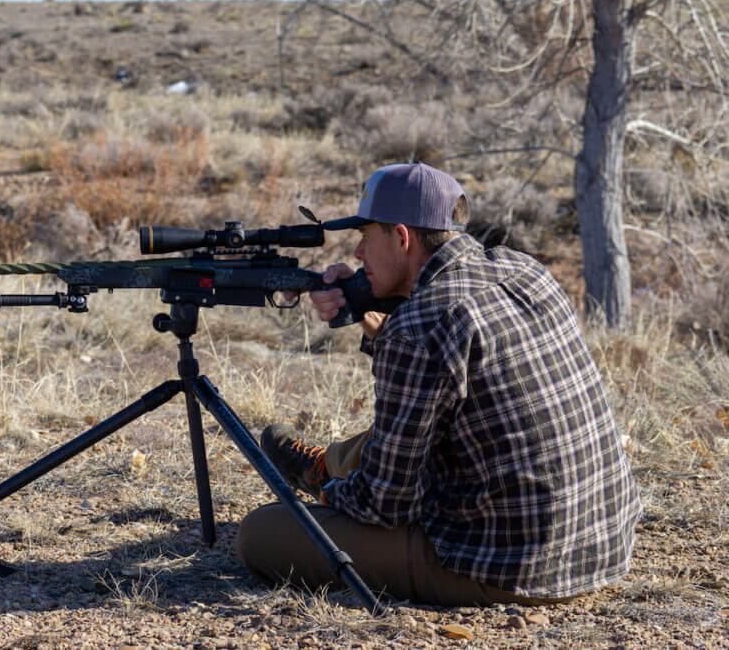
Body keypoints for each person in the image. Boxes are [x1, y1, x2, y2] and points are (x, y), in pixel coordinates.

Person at [238, 162, 641, 607]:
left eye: (366, 236)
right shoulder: (524, 269)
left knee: (260, 534)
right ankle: (329, 464)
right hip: (604, 544)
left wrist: (330, 498)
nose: (358, 252)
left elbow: (385, 505)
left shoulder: (419, 325)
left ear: (402, 237)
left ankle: (323, 477)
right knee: (402, 434)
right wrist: (371, 304)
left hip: (508, 569)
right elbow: (441, 382)